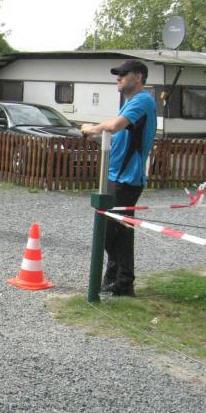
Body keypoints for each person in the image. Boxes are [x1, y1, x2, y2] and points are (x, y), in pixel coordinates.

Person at [81, 59, 157, 297]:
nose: (118, 78)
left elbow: (114, 126)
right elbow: (119, 139)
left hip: (127, 178)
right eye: (117, 74)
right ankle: (114, 277)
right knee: (113, 230)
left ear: (138, 77)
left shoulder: (143, 100)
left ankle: (123, 282)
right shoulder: (129, 104)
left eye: (123, 74)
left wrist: (92, 127)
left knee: (116, 230)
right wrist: (97, 138)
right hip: (115, 175)